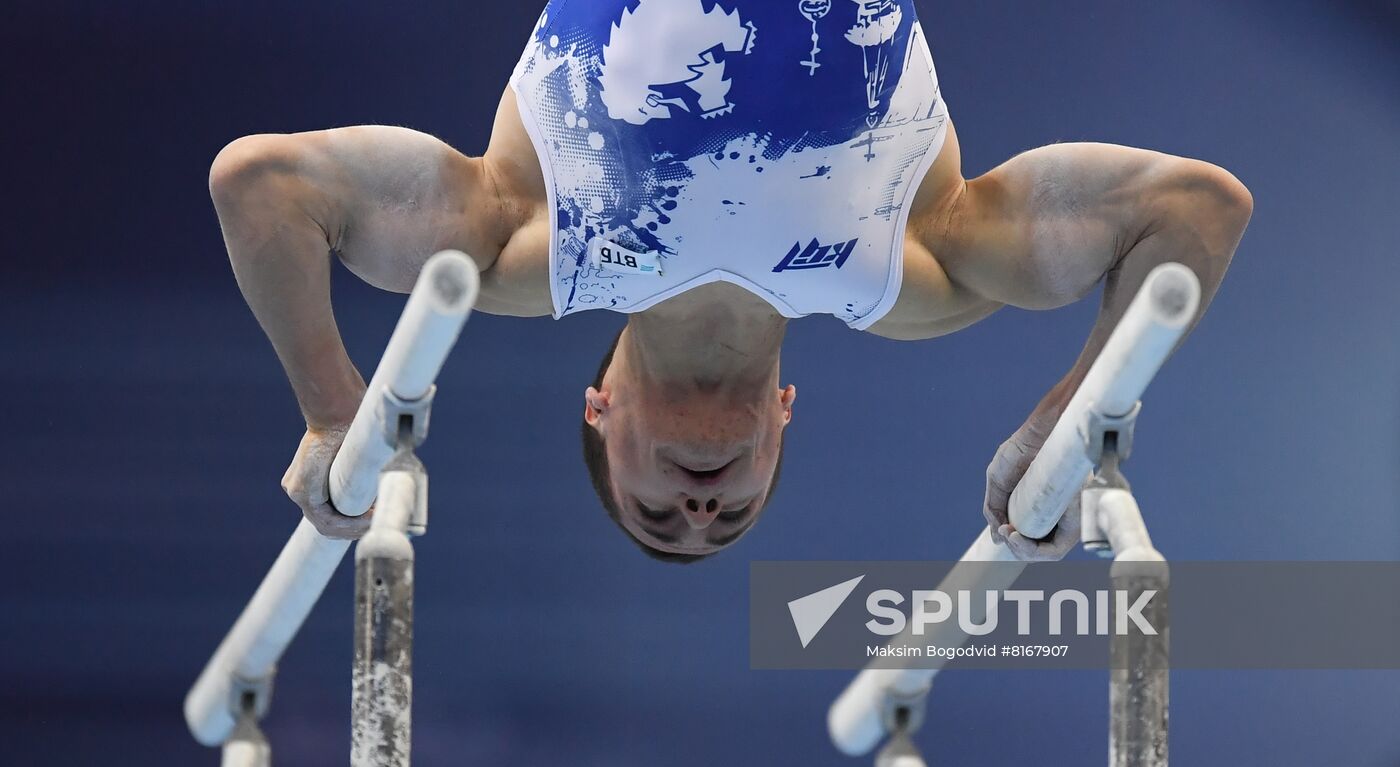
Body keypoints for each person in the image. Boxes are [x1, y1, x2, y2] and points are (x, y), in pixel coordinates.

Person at [207, 0, 1251, 563]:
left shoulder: (515, 249)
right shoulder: (915, 273)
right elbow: (1197, 210)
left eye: (657, 515)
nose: (698, 509)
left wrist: (331, 412)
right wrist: (1070, 421)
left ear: (599, 409)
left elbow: (262, 187)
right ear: (781, 423)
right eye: (732, 517)